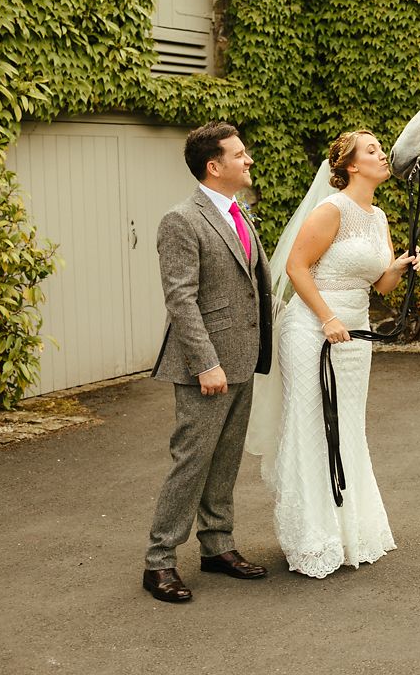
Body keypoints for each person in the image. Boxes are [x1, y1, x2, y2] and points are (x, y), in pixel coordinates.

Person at [246, 129, 420, 578]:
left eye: (381, 149)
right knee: (312, 426)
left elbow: (379, 285)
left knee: (347, 427)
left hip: (354, 334)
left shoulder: (378, 216)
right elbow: (295, 267)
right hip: (312, 330)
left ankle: (351, 529)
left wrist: (398, 268)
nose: (383, 155)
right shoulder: (331, 210)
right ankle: (312, 538)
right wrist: (326, 318)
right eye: (373, 151)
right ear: (350, 166)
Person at [143, 121, 273, 603]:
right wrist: (206, 363)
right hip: (207, 365)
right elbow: (181, 299)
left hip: (243, 358)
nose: (249, 161)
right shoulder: (181, 219)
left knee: (225, 459)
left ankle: (217, 546)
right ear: (213, 166)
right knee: (192, 461)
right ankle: (159, 561)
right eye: (240, 155)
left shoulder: (240, 214)